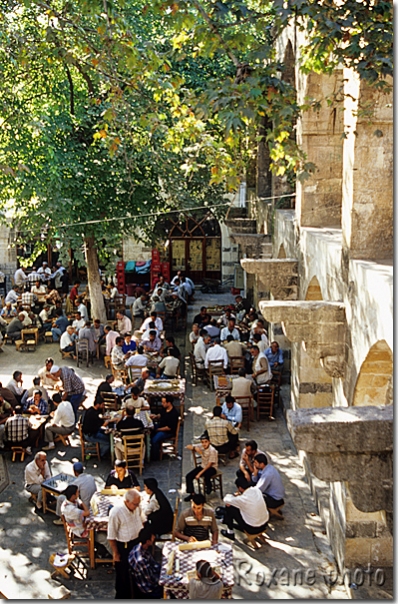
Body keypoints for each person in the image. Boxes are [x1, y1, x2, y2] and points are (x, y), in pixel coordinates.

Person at [107, 489, 145, 599]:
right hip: (124, 546)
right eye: (135, 504)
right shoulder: (116, 512)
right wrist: (115, 553)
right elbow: (111, 535)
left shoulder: (137, 507)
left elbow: (142, 519)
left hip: (136, 543)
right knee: (123, 574)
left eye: (138, 504)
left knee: (137, 572)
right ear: (127, 501)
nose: (137, 506)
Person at [220, 476, 269, 542]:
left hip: (253, 528)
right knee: (236, 506)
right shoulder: (256, 490)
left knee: (230, 507)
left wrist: (234, 494)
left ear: (240, 488)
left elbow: (226, 499)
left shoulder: (242, 499)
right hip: (265, 523)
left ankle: (230, 532)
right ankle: (226, 520)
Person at [128, 526, 163, 599]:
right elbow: (151, 580)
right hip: (148, 589)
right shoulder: (140, 560)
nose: (154, 538)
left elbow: (154, 564)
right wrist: (164, 579)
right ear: (148, 541)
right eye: (152, 537)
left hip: (150, 578)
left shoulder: (141, 548)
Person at [184, 435, 218, 500]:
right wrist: (195, 448)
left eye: (206, 442)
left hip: (211, 467)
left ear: (209, 442)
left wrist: (199, 474)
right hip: (203, 466)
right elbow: (188, 446)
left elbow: (209, 465)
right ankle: (192, 493)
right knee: (188, 476)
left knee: (206, 474)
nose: (204, 444)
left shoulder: (212, 450)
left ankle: (209, 486)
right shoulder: (201, 446)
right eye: (202, 442)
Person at [150, 395, 179, 461]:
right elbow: (160, 415)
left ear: (169, 403)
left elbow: (168, 428)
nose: (162, 404)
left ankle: (155, 457)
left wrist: (157, 430)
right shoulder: (164, 409)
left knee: (154, 440)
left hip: (167, 431)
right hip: (161, 426)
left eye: (164, 402)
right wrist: (155, 416)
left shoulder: (174, 414)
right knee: (150, 429)